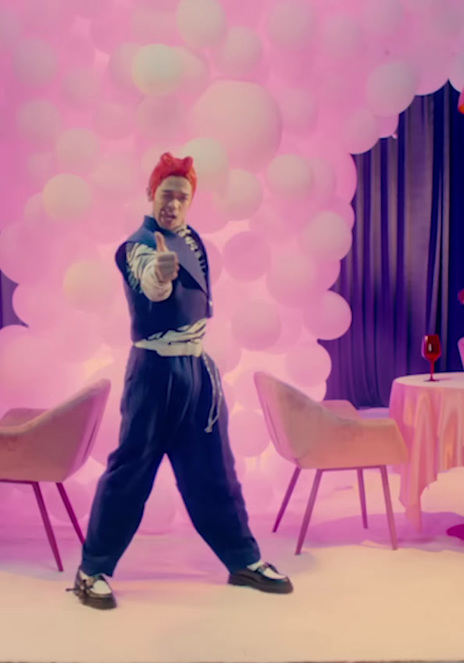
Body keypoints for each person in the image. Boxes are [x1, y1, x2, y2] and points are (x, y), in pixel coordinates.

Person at [70, 153, 292, 610]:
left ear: (191, 201)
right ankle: (91, 570)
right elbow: (147, 278)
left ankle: (242, 559)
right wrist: (159, 278)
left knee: (216, 470)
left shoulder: (196, 241)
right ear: (151, 195)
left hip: (198, 372)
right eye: (166, 195)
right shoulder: (137, 245)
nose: (172, 204)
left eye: (182, 197)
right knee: (131, 472)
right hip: (154, 375)